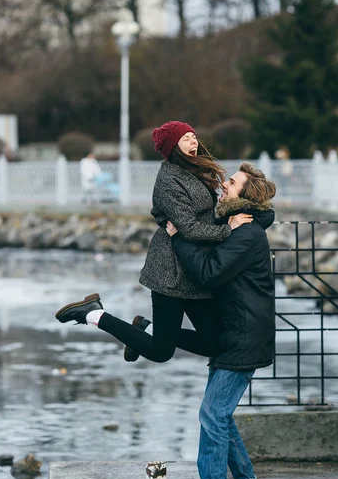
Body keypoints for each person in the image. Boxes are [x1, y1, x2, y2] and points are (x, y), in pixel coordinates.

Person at [55, 121, 249, 364]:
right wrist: (228, 230)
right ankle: (93, 314)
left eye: (193, 136)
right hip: (170, 270)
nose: (194, 142)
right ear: (173, 146)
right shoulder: (168, 181)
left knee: (213, 341)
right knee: (161, 351)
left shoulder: (196, 170)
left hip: (196, 269)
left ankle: (145, 328)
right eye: (186, 138)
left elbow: (205, 215)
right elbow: (188, 228)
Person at [164, 162, 276, 479]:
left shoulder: (247, 235)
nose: (224, 185)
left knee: (211, 414)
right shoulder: (236, 228)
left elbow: (210, 273)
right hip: (235, 335)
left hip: (243, 338)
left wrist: (178, 237)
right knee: (221, 417)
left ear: (245, 197)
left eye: (232, 183)